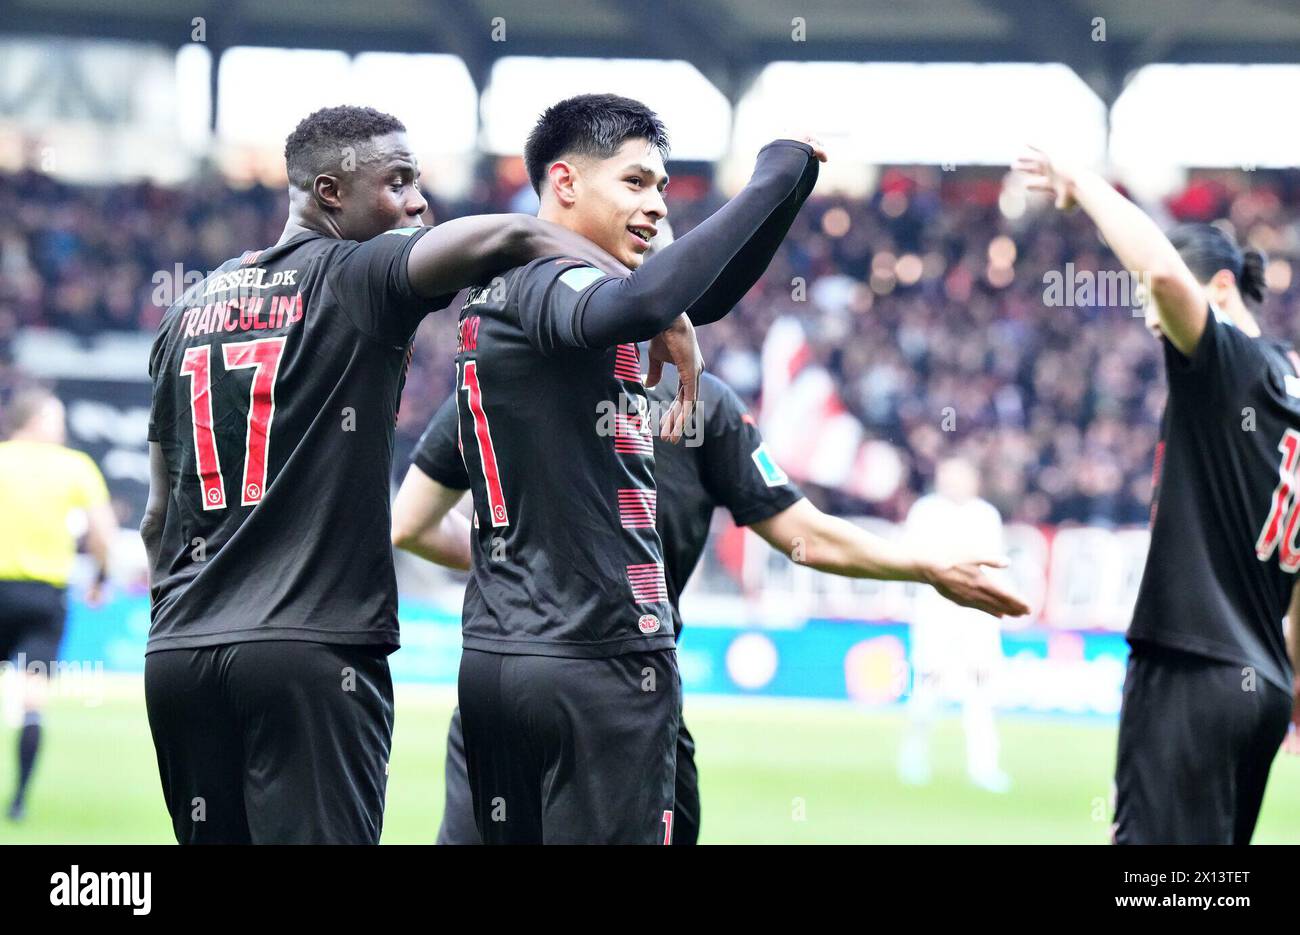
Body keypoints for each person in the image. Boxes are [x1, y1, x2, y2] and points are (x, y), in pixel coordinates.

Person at [140, 104, 669, 845]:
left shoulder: (184, 312)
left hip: (175, 659)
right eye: (397, 183)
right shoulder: (353, 275)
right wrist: (648, 302)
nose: (418, 202)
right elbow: (512, 234)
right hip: (308, 650)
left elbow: (155, 519)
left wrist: (187, 616)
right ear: (330, 193)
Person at [395, 369, 1027, 844]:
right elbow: (803, 535)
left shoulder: (499, 379)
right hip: (627, 693)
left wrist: (521, 560)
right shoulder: (699, 407)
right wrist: (922, 567)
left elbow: (413, 525)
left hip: (505, 678)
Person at [449, 93, 824, 843]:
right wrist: (774, 168)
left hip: (501, 655)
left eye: (661, 188)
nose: (655, 205)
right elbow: (649, 300)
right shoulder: (553, 284)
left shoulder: (509, 287)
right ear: (564, 183)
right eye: (635, 183)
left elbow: (695, 294)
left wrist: (789, 184)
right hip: (598, 659)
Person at [1018, 146, 1298, 844]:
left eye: (1147, 304)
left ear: (1225, 290)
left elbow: (1167, 278)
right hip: (1265, 687)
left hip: (1194, 668)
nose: (1150, 320)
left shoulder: (1232, 366)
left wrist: (1084, 183)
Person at [0, 388, 116, 821]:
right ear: (32, 420)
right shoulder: (74, 467)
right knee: (33, 700)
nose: (62, 427)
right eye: (56, 418)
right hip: (43, 599)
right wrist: (101, 578)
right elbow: (102, 532)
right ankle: (17, 802)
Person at [898, 456, 1012, 793]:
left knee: (982, 693)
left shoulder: (985, 515)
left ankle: (984, 767)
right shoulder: (926, 511)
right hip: (936, 613)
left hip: (976, 616)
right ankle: (914, 757)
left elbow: (994, 565)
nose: (956, 484)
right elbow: (914, 558)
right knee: (926, 688)